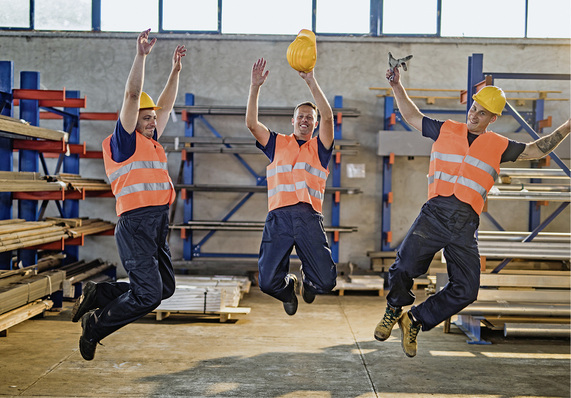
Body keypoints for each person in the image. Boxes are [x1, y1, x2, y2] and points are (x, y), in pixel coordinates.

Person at [374, 65, 570, 358]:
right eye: (473, 108)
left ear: (492, 118)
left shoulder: (499, 145)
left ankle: (414, 319)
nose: (473, 115)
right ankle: (394, 310)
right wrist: (396, 86)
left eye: (481, 113)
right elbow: (412, 116)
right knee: (403, 266)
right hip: (435, 214)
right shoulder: (446, 129)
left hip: (465, 223)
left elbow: (537, 150)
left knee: (467, 289)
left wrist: (567, 126)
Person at [71, 29, 186, 361]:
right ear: (133, 119)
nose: (153, 122)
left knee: (164, 288)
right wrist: (142, 56)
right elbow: (134, 94)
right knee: (148, 295)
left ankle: (99, 293)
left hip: (156, 225)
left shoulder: (150, 140)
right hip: (135, 226)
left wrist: (175, 71)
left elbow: (164, 104)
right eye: (146, 118)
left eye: (153, 119)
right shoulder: (124, 141)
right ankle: (95, 325)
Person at [246, 58, 337, 316]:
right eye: (301, 116)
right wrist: (255, 87)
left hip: (309, 217)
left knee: (326, 282)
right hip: (279, 218)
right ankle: (289, 288)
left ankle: (309, 283)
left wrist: (310, 80)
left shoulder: (320, 148)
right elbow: (252, 124)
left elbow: (329, 117)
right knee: (266, 282)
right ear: (293, 120)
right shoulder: (277, 143)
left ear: (315, 124)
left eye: (310, 117)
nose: (305, 120)